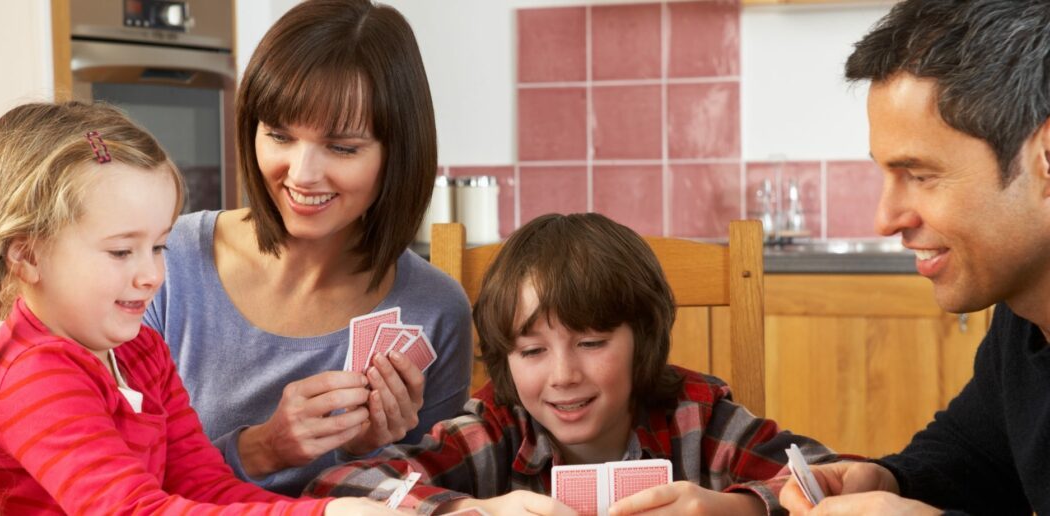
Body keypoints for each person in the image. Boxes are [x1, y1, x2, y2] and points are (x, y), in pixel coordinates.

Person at [0, 101, 397, 515]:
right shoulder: (33, 374)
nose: (150, 275)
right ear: (26, 256)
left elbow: (205, 486)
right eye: (121, 252)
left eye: (159, 247)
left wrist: (328, 509)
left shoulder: (141, 351)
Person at [142, 0, 473, 496]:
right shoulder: (167, 261)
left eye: (342, 147)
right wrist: (262, 448)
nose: (301, 174)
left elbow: (432, 495)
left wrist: (369, 455)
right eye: (279, 135)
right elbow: (112, 479)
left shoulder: (436, 311)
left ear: (398, 153)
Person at [305, 213, 839, 515]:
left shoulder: (696, 417)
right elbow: (337, 486)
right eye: (532, 351)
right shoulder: (498, 425)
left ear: (643, 339)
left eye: (591, 342)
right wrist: (469, 512)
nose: (562, 376)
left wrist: (736, 511)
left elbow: (830, 481)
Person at [778, 1, 1050, 515]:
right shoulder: (1024, 320)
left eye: (922, 175)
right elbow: (976, 457)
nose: (886, 218)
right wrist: (889, 481)